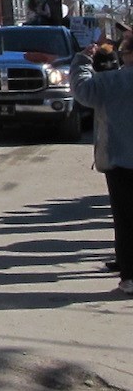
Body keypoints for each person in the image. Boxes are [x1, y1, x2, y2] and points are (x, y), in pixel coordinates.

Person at [69, 37, 133, 297]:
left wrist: (82, 60)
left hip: (119, 160)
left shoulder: (111, 82)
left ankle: (130, 276)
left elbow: (82, 89)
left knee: (126, 220)